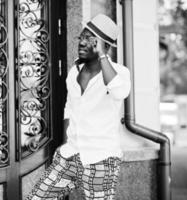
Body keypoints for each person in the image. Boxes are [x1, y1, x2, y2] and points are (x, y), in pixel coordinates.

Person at [26, 14, 131, 200]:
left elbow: (119, 92)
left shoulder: (120, 73)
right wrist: (65, 143)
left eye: (90, 39)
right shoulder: (74, 72)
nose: (82, 42)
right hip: (71, 155)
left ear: (104, 46)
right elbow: (69, 107)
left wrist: (102, 56)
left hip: (101, 159)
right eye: (81, 37)